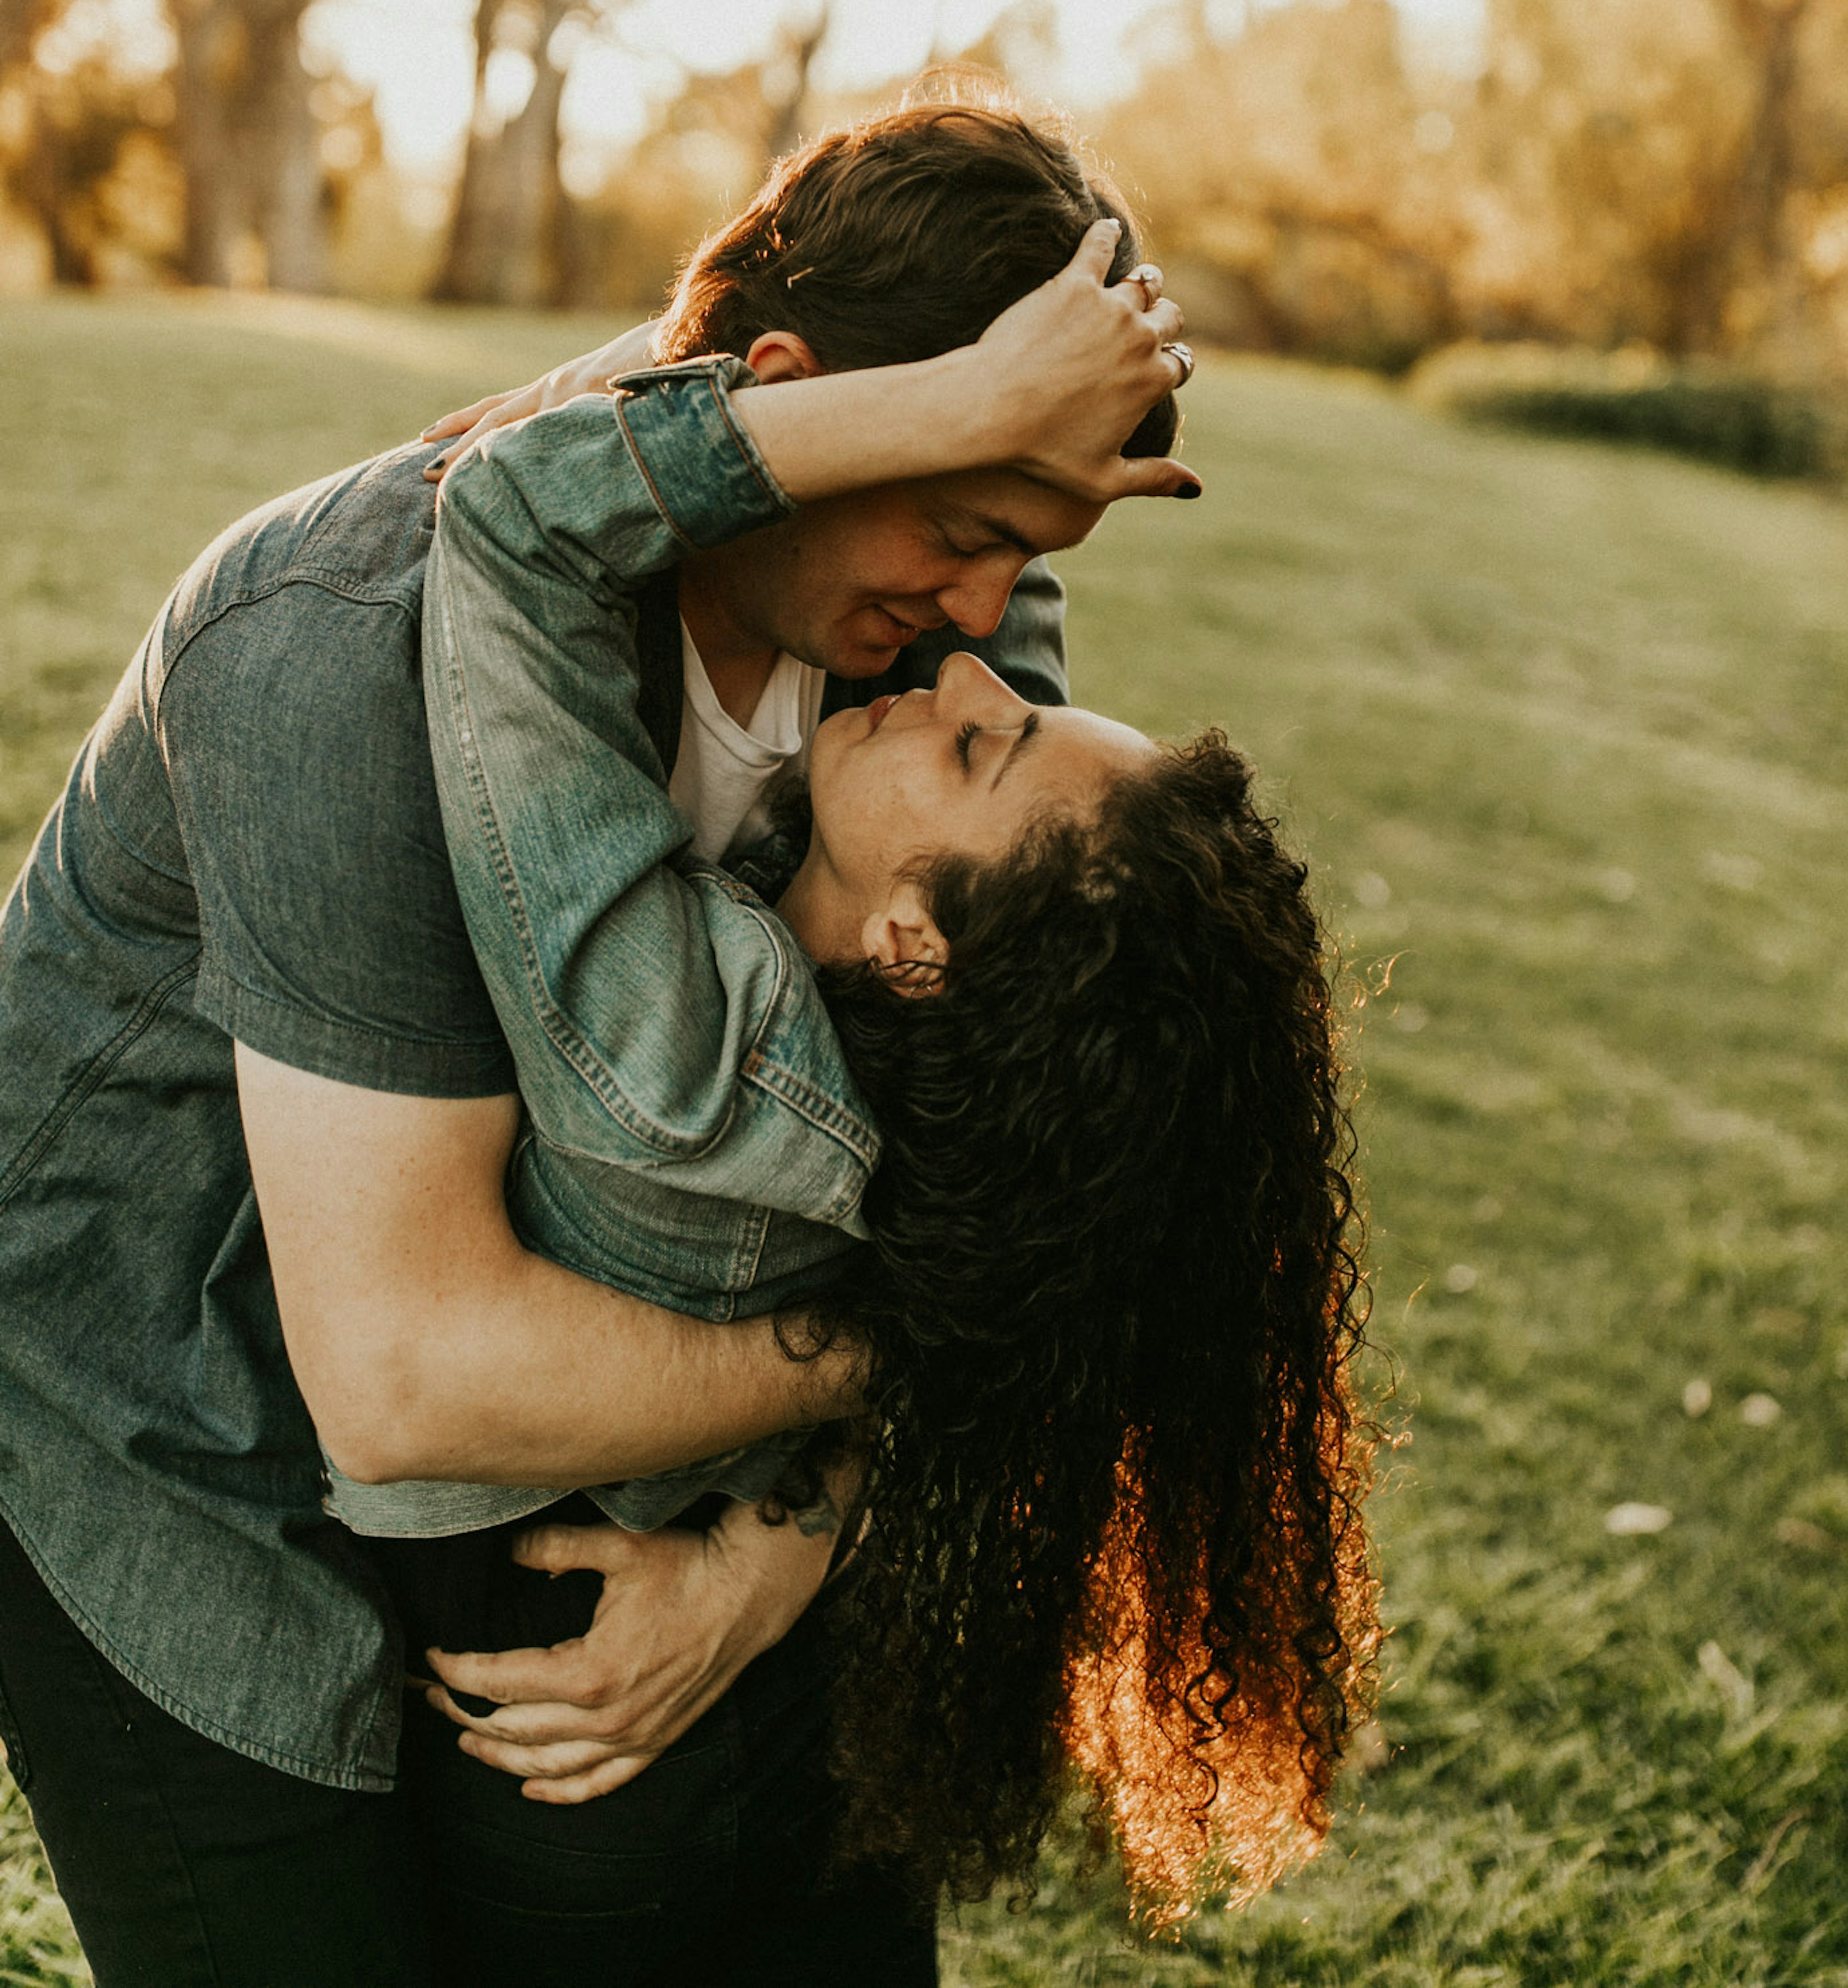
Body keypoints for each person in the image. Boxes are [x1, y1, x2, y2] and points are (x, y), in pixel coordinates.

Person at [0, 106, 1200, 1984]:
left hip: (585, 1416)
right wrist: (908, 1344)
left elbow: (1001, 1117)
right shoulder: (334, 642)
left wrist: (774, 1553)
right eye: (969, 525)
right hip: (166, 1397)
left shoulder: (937, 638)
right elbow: (412, 1379)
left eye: (1026, 546)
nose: (995, 628)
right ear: (809, 404)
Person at [361, 205, 1376, 1972]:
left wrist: (943, 407)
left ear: (916, 944)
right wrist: (1010, 415)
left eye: (984, 740)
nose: (963, 665)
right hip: (766, 1730)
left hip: (590, 1795)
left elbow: (515, 514)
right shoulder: (968, 1126)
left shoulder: (680, 1053)